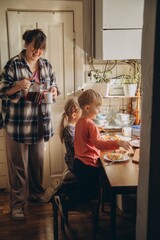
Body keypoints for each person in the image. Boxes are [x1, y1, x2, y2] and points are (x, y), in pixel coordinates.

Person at [0, 29, 60, 221]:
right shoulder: (13, 64)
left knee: (38, 164)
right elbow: (2, 90)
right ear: (26, 43)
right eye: (35, 47)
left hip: (39, 123)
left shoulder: (46, 65)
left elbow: (55, 86)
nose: (37, 52)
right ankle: (17, 205)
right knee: (18, 167)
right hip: (16, 125)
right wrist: (17, 86)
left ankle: (35, 194)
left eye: (41, 48)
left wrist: (55, 90)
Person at [73, 89, 131, 201]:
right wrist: (118, 143)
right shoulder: (91, 124)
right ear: (87, 108)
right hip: (88, 165)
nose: (99, 111)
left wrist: (97, 130)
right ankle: (66, 200)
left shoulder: (80, 121)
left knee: (83, 188)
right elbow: (98, 144)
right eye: (98, 108)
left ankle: (63, 193)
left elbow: (84, 138)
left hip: (79, 162)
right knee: (90, 193)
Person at [39, 97, 81, 203]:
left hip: (75, 160)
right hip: (75, 163)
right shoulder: (69, 130)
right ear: (75, 115)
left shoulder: (74, 127)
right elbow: (77, 148)